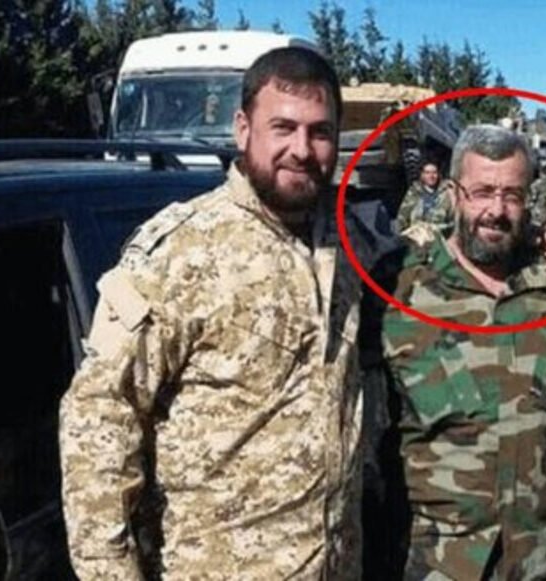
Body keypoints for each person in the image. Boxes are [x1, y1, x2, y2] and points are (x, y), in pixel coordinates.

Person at [59, 46, 378, 579]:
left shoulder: (345, 245)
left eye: (320, 132)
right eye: (283, 128)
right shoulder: (181, 253)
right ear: (242, 130)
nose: (302, 149)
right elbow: (98, 421)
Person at [381, 125, 546, 579]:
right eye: (481, 192)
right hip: (436, 563)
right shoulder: (399, 286)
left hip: (533, 559)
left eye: (511, 195)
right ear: (453, 194)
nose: (496, 211)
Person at [395, 160, 453, 232]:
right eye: (427, 173)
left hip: (438, 233)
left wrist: (436, 228)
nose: (431, 176)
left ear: (439, 174)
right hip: (415, 234)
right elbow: (402, 216)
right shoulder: (414, 192)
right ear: (422, 175)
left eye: (434, 172)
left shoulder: (447, 193)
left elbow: (453, 221)